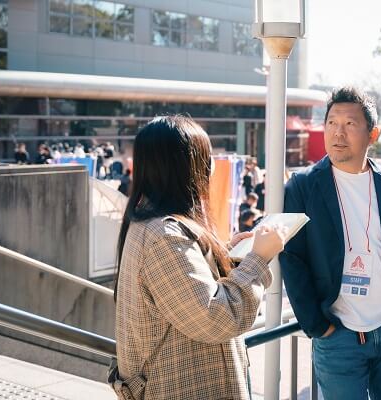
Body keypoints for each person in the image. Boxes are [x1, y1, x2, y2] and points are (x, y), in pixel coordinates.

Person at [280, 87, 381, 400]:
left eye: (350, 124)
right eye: (331, 123)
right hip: (337, 334)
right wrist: (316, 325)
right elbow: (292, 259)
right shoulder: (303, 186)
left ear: (372, 134)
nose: (338, 132)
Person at [112, 116, 286, 400]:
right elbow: (214, 318)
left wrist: (230, 257)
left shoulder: (148, 222)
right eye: (206, 157)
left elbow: (188, 292)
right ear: (188, 167)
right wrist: (259, 259)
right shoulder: (165, 236)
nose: (212, 167)